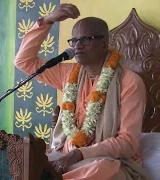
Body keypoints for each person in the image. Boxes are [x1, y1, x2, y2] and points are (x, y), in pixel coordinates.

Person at [14, 3, 149, 180]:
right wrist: (48, 20)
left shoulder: (129, 82)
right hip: (62, 157)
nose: (77, 46)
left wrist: (81, 154)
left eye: (85, 40)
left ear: (104, 43)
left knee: (102, 170)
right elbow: (24, 61)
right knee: (23, 165)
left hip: (106, 161)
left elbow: (128, 143)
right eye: (74, 40)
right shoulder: (69, 73)